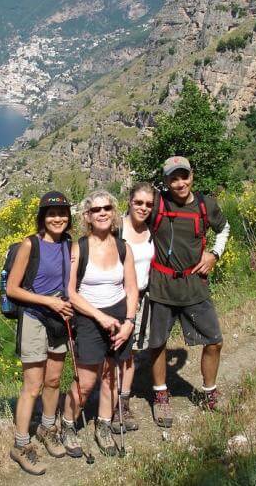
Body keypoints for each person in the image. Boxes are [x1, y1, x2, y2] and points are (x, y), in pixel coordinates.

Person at [146, 156, 230, 428]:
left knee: (214, 340)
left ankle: (209, 393)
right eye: (173, 178)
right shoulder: (157, 203)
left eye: (184, 176)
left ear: (192, 175)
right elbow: (133, 218)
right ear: (166, 180)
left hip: (195, 285)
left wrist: (215, 254)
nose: (180, 183)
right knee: (157, 343)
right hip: (161, 286)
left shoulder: (206, 205)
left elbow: (224, 228)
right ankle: (160, 395)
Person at [61, 190, 139, 457]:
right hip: (89, 317)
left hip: (120, 315)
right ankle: (68, 424)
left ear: (114, 213)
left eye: (107, 208)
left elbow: (131, 287)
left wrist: (129, 322)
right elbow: (70, 292)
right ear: (87, 216)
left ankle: (103, 425)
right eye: (96, 210)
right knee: (86, 380)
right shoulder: (78, 249)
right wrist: (100, 316)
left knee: (113, 375)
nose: (103, 213)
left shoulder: (122, 247)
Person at [6, 191, 74, 476]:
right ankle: (21, 445)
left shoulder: (69, 244)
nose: (57, 218)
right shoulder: (30, 244)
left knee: (54, 380)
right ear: (42, 218)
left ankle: (47, 429)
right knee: (32, 385)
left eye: (62, 214)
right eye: (51, 214)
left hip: (60, 318)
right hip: (35, 317)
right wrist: (49, 301)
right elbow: (13, 288)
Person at [113, 182, 155, 434]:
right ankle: (109, 402)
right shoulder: (117, 228)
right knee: (113, 353)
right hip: (116, 297)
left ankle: (123, 403)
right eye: (138, 202)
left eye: (148, 204)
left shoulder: (153, 230)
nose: (143, 208)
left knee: (129, 355)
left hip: (141, 298)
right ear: (129, 201)